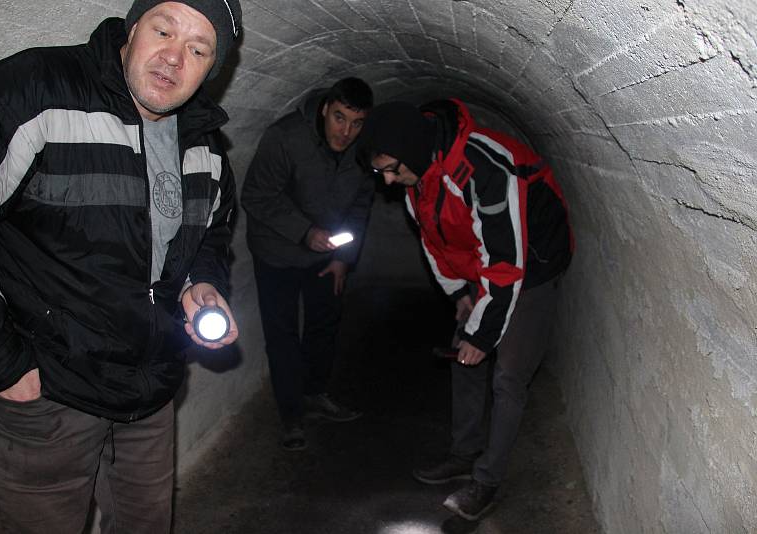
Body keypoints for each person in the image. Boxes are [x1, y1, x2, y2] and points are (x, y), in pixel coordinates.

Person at [0, 1, 242, 532]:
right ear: (132, 30)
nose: (174, 58)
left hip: (151, 392)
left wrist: (203, 282)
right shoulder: (30, 93)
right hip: (48, 398)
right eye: (163, 31)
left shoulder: (205, 143)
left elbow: (214, 230)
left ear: (213, 68)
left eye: (199, 50)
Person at [360, 99, 574, 521]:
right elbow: (433, 239)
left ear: (412, 149)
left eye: (390, 168)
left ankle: (487, 480)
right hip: (486, 264)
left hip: (532, 266)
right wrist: (459, 292)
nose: (386, 181)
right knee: (463, 355)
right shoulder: (417, 178)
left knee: (509, 375)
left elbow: (507, 263)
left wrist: (483, 333)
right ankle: (465, 451)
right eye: (378, 171)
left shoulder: (484, 168)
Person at [241, 77, 374, 451]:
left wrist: (344, 259)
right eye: (339, 118)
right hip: (276, 252)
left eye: (356, 123)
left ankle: (316, 394)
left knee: (324, 324)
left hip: (325, 254)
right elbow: (256, 195)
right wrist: (303, 232)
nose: (346, 131)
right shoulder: (285, 137)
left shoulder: (362, 149)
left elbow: (361, 206)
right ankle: (292, 415)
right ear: (324, 109)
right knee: (282, 335)